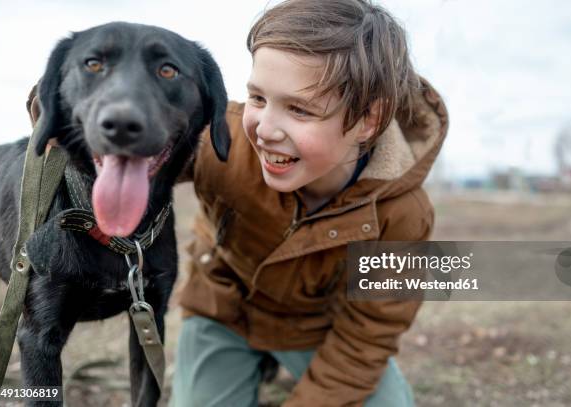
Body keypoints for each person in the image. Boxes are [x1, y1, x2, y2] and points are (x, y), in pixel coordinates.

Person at [171, 0, 448, 405]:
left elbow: (368, 335)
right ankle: (250, 364)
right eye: (258, 98)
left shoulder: (401, 217)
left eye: (299, 109)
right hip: (224, 313)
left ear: (368, 120)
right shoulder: (220, 140)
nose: (264, 129)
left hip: (319, 331)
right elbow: (131, 140)